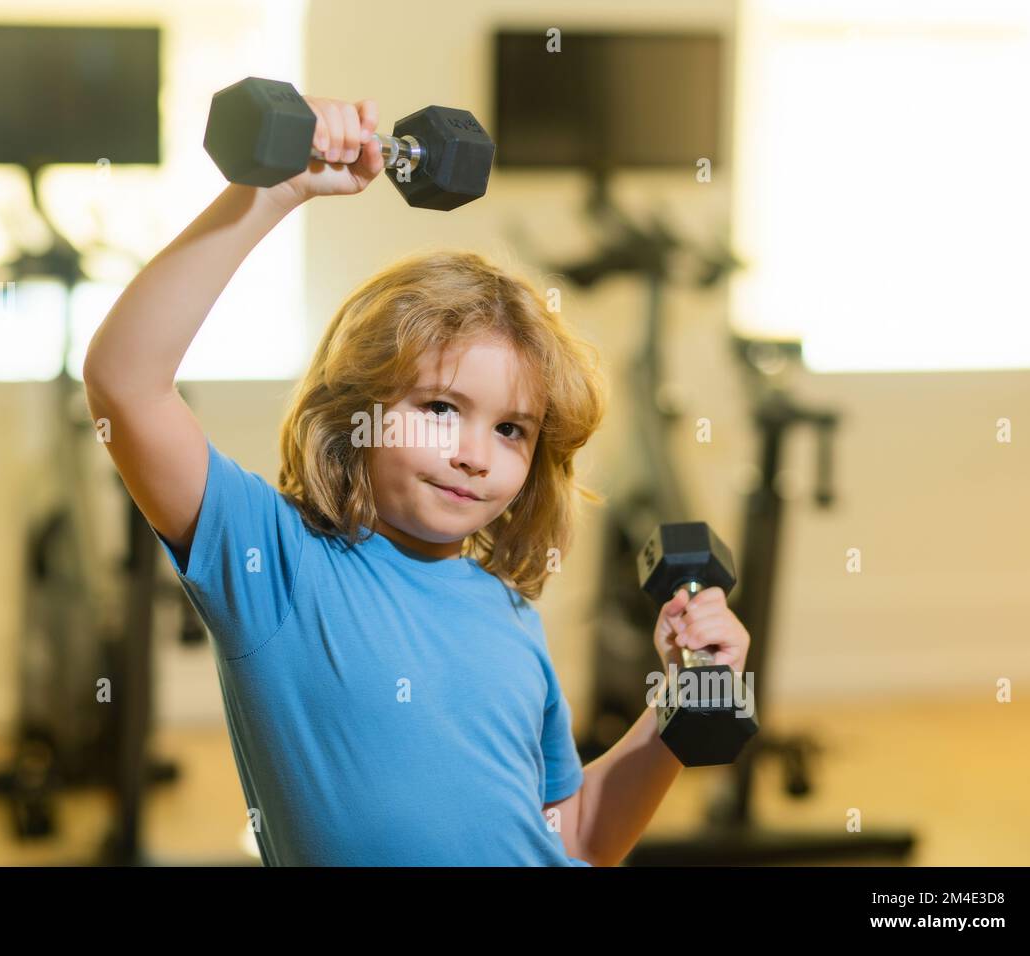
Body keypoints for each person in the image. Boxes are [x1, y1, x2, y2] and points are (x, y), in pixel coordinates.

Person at [82, 95, 750, 866]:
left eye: (510, 430)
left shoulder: (510, 616)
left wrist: (675, 706)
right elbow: (125, 384)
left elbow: (580, 837)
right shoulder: (277, 565)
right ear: (355, 412)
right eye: (440, 408)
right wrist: (272, 191)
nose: (475, 453)